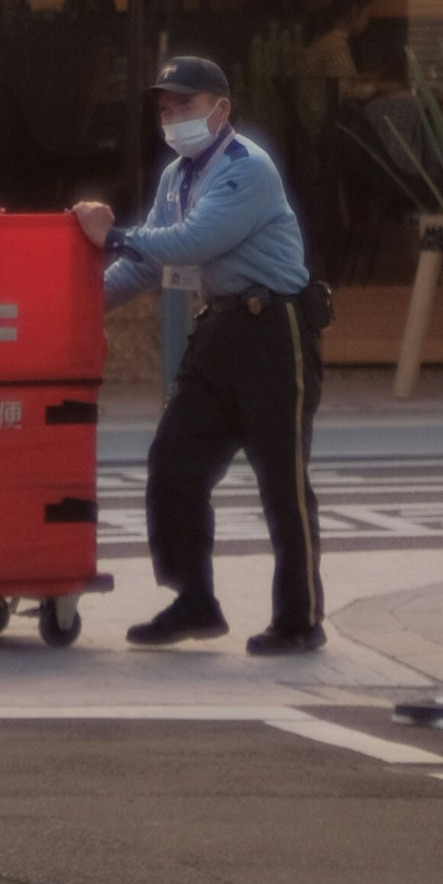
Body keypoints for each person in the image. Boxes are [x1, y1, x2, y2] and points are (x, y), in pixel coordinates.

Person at [76, 55, 325, 654]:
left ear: (220, 109)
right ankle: (194, 599)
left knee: (282, 482)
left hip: (274, 329)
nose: (172, 116)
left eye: (184, 105)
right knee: (173, 463)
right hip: (218, 328)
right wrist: (75, 306)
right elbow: (145, 264)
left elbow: (193, 242)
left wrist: (107, 234)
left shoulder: (245, 168)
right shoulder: (176, 177)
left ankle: (299, 619)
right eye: (165, 107)